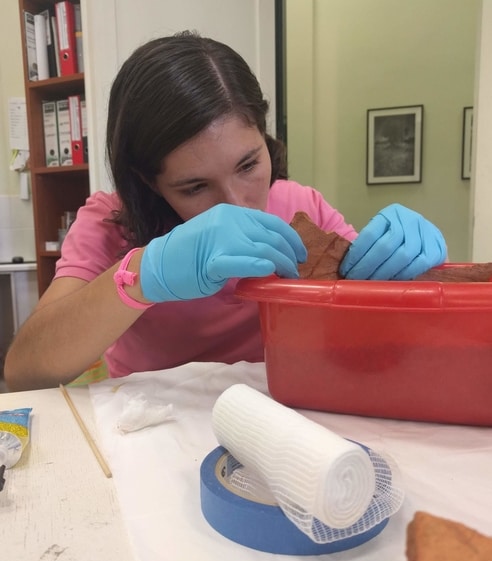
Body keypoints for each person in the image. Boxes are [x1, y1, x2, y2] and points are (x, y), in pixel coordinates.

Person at [4, 31, 447, 391]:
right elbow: (25, 372)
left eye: (249, 164)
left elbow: (380, 349)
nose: (237, 204)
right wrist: (142, 275)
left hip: (280, 424)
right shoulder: (109, 223)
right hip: (149, 435)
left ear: (264, 132)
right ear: (148, 181)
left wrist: (412, 282)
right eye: (195, 186)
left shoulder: (302, 208)